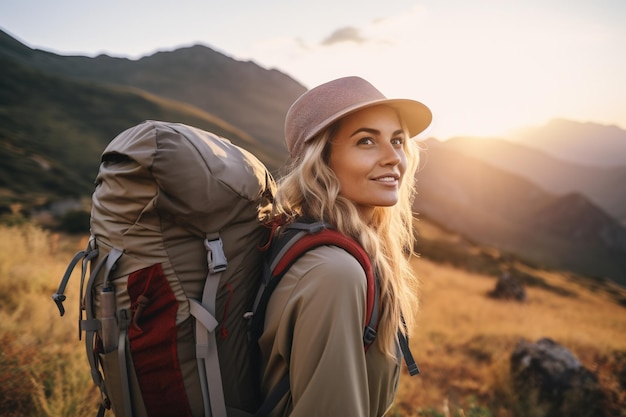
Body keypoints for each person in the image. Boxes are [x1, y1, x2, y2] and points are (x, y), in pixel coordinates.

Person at [258, 76, 432, 417]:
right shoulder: (335, 272)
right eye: (366, 141)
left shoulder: (338, 249)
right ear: (320, 160)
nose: (393, 158)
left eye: (397, 140)